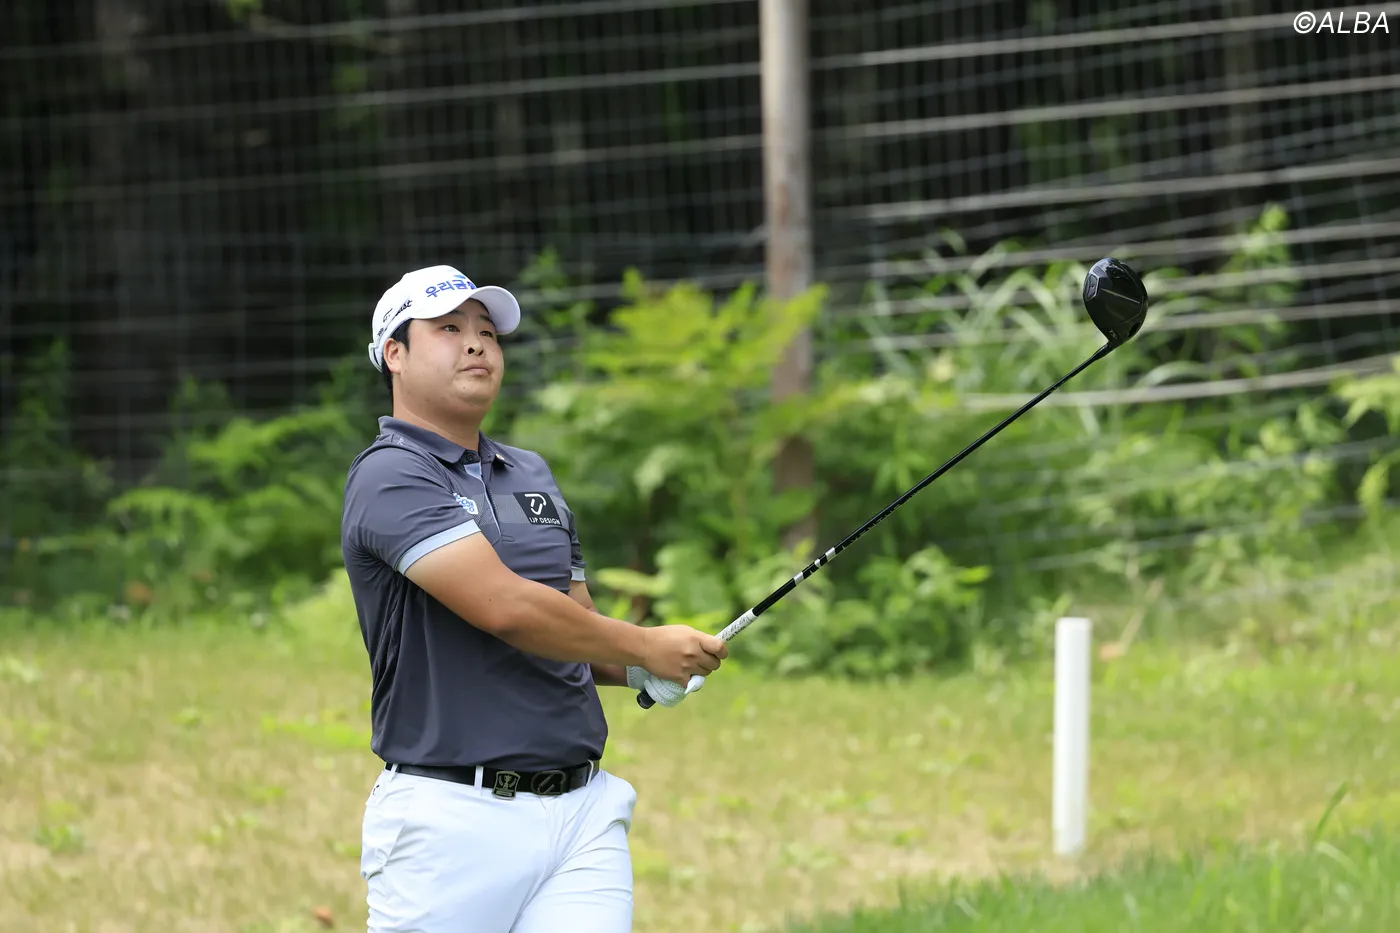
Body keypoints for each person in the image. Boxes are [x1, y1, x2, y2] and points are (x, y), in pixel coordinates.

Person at [340, 264, 728, 933]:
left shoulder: (529, 472)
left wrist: (641, 668)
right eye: (449, 328)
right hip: (450, 818)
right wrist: (645, 644)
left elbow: (573, 625)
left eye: (487, 332)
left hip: (582, 814)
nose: (476, 343)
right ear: (394, 355)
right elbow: (507, 608)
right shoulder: (389, 475)